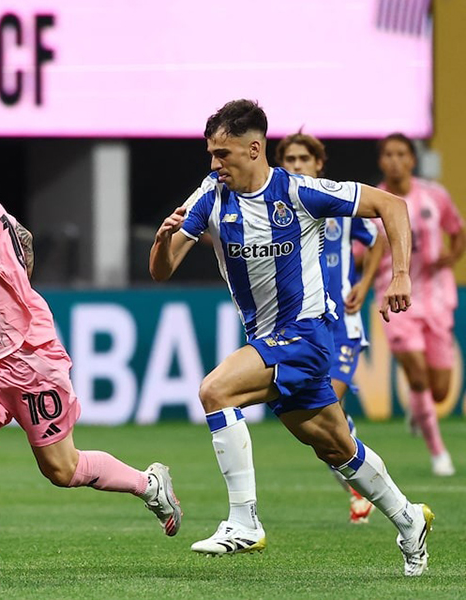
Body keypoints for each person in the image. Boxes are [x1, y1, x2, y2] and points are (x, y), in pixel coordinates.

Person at [150, 99, 432, 577]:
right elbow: (163, 271)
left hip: (307, 333)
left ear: (254, 148)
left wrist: (399, 275)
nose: (215, 164)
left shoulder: (301, 192)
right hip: (269, 337)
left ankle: (245, 520)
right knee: (337, 447)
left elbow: (392, 206)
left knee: (215, 390)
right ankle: (408, 520)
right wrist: (161, 241)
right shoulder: (210, 195)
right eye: (211, 155)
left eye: (223, 154)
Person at [0, 133, 181, 579]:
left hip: (30, 357)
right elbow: (22, 239)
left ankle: (149, 484)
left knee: (62, 470)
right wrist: (12, 277)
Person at [276, 132, 383, 523]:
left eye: (304, 158)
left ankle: (364, 489)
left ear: (319, 164)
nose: (297, 164)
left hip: (342, 325)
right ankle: (359, 483)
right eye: (289, 158)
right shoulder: (278, 209)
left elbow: (375, 240)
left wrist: (365, 284)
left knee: (328, 406)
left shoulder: (335, 202)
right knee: (321, 422)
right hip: (302, 322)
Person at [375, 132, 464, 477]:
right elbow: (364, 252)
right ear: (381, 161)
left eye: (402, 154)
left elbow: (458, 231)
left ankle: (420, 407)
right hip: (396, 299)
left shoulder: (434, 196)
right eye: (389, 154)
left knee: (440, 390)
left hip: (437, 297)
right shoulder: (374, 202)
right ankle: (439, 453)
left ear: (412, 159)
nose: (395, 160)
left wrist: (450, 258)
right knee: (415, 371)